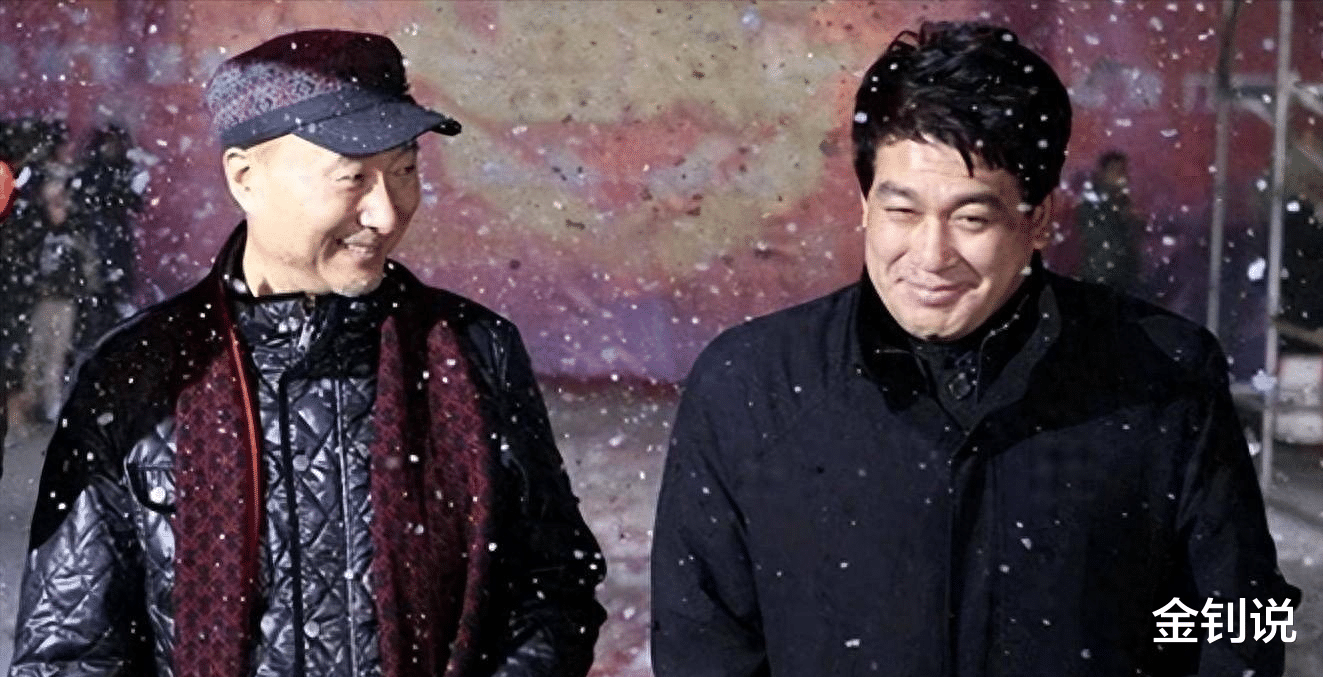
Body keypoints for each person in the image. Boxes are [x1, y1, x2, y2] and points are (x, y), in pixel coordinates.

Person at [652, 21, 1296, 677]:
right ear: (865, 203)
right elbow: (699, 642)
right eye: (902, 211)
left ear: (1038, 219)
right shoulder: (750, 386)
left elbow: (1245, 617)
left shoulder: (1162, 374)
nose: (931, 256)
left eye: (971, 218)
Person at [11, 29, 606, 677]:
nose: (386, 213)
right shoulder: (140, 373)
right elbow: (70, 650)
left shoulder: (471, 351)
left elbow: (551, 587)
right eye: (353, 178)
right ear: (245, 178)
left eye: (405, 171)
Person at [1076, 150, 1144, 294]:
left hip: (1122, 277)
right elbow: (1102, 239)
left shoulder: (1122, 201)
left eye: (1123, 170)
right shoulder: (1092, 203)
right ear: (1103, 173)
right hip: (1101, 277)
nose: (1122, 175)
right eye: (1116, 170)